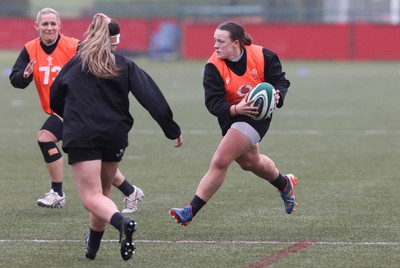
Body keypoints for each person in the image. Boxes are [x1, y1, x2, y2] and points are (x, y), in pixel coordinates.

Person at [50, 13, 183, 260]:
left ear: (90, 34)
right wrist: (171, 129)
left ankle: (121, 222)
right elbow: (151, 96)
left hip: (83, 135)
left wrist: (67, 114)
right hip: (115, 135)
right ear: (116, 40)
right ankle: (92, 249)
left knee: (91, 197)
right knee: (103, 193)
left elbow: (55, 97)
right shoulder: (124, 63)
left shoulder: (77, 63)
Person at [9, 7, 144, 213]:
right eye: (44, 24)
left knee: (45, 137)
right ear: (36, 26)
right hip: (60, 109)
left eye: (53, 23)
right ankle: (130, 191)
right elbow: (16, 80)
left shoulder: (73, 46)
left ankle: (57, 193)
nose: (49, 27)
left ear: (60, 25)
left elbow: (98, 63)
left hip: (77, 108)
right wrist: (25, 75)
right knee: (91, 160)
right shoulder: (30, 48)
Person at [169, 21, 297, 226]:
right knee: (250, 163)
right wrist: (236, 109)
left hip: (256, 115)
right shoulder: (213, 66)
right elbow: (213, 103)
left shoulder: (263, 56)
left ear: (236, 43)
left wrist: (277, 96)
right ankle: (285, 183)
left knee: (220, 160)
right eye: (214, 41)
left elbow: (280, 82)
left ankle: (190, 210)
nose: (215, 46)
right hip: (231, 115)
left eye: (221, 41)